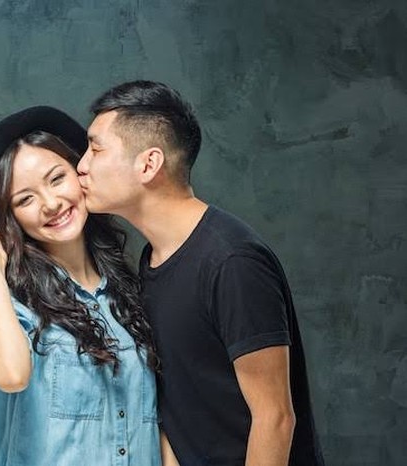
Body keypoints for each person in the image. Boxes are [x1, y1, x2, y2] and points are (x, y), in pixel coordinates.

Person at [76, 81, 324, 466]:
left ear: (148, 164)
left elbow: (275, 418)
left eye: (95, 149)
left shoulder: (232, 261)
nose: (81, 165)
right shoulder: (153, 258)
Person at [0, 106, 162, 466]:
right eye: (25, 199)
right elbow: (10, 375)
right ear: (11, 219)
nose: (51, 204)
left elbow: (160, 420)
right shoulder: (6, 298)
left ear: (79, 172)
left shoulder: (128, 288)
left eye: (56, 179)